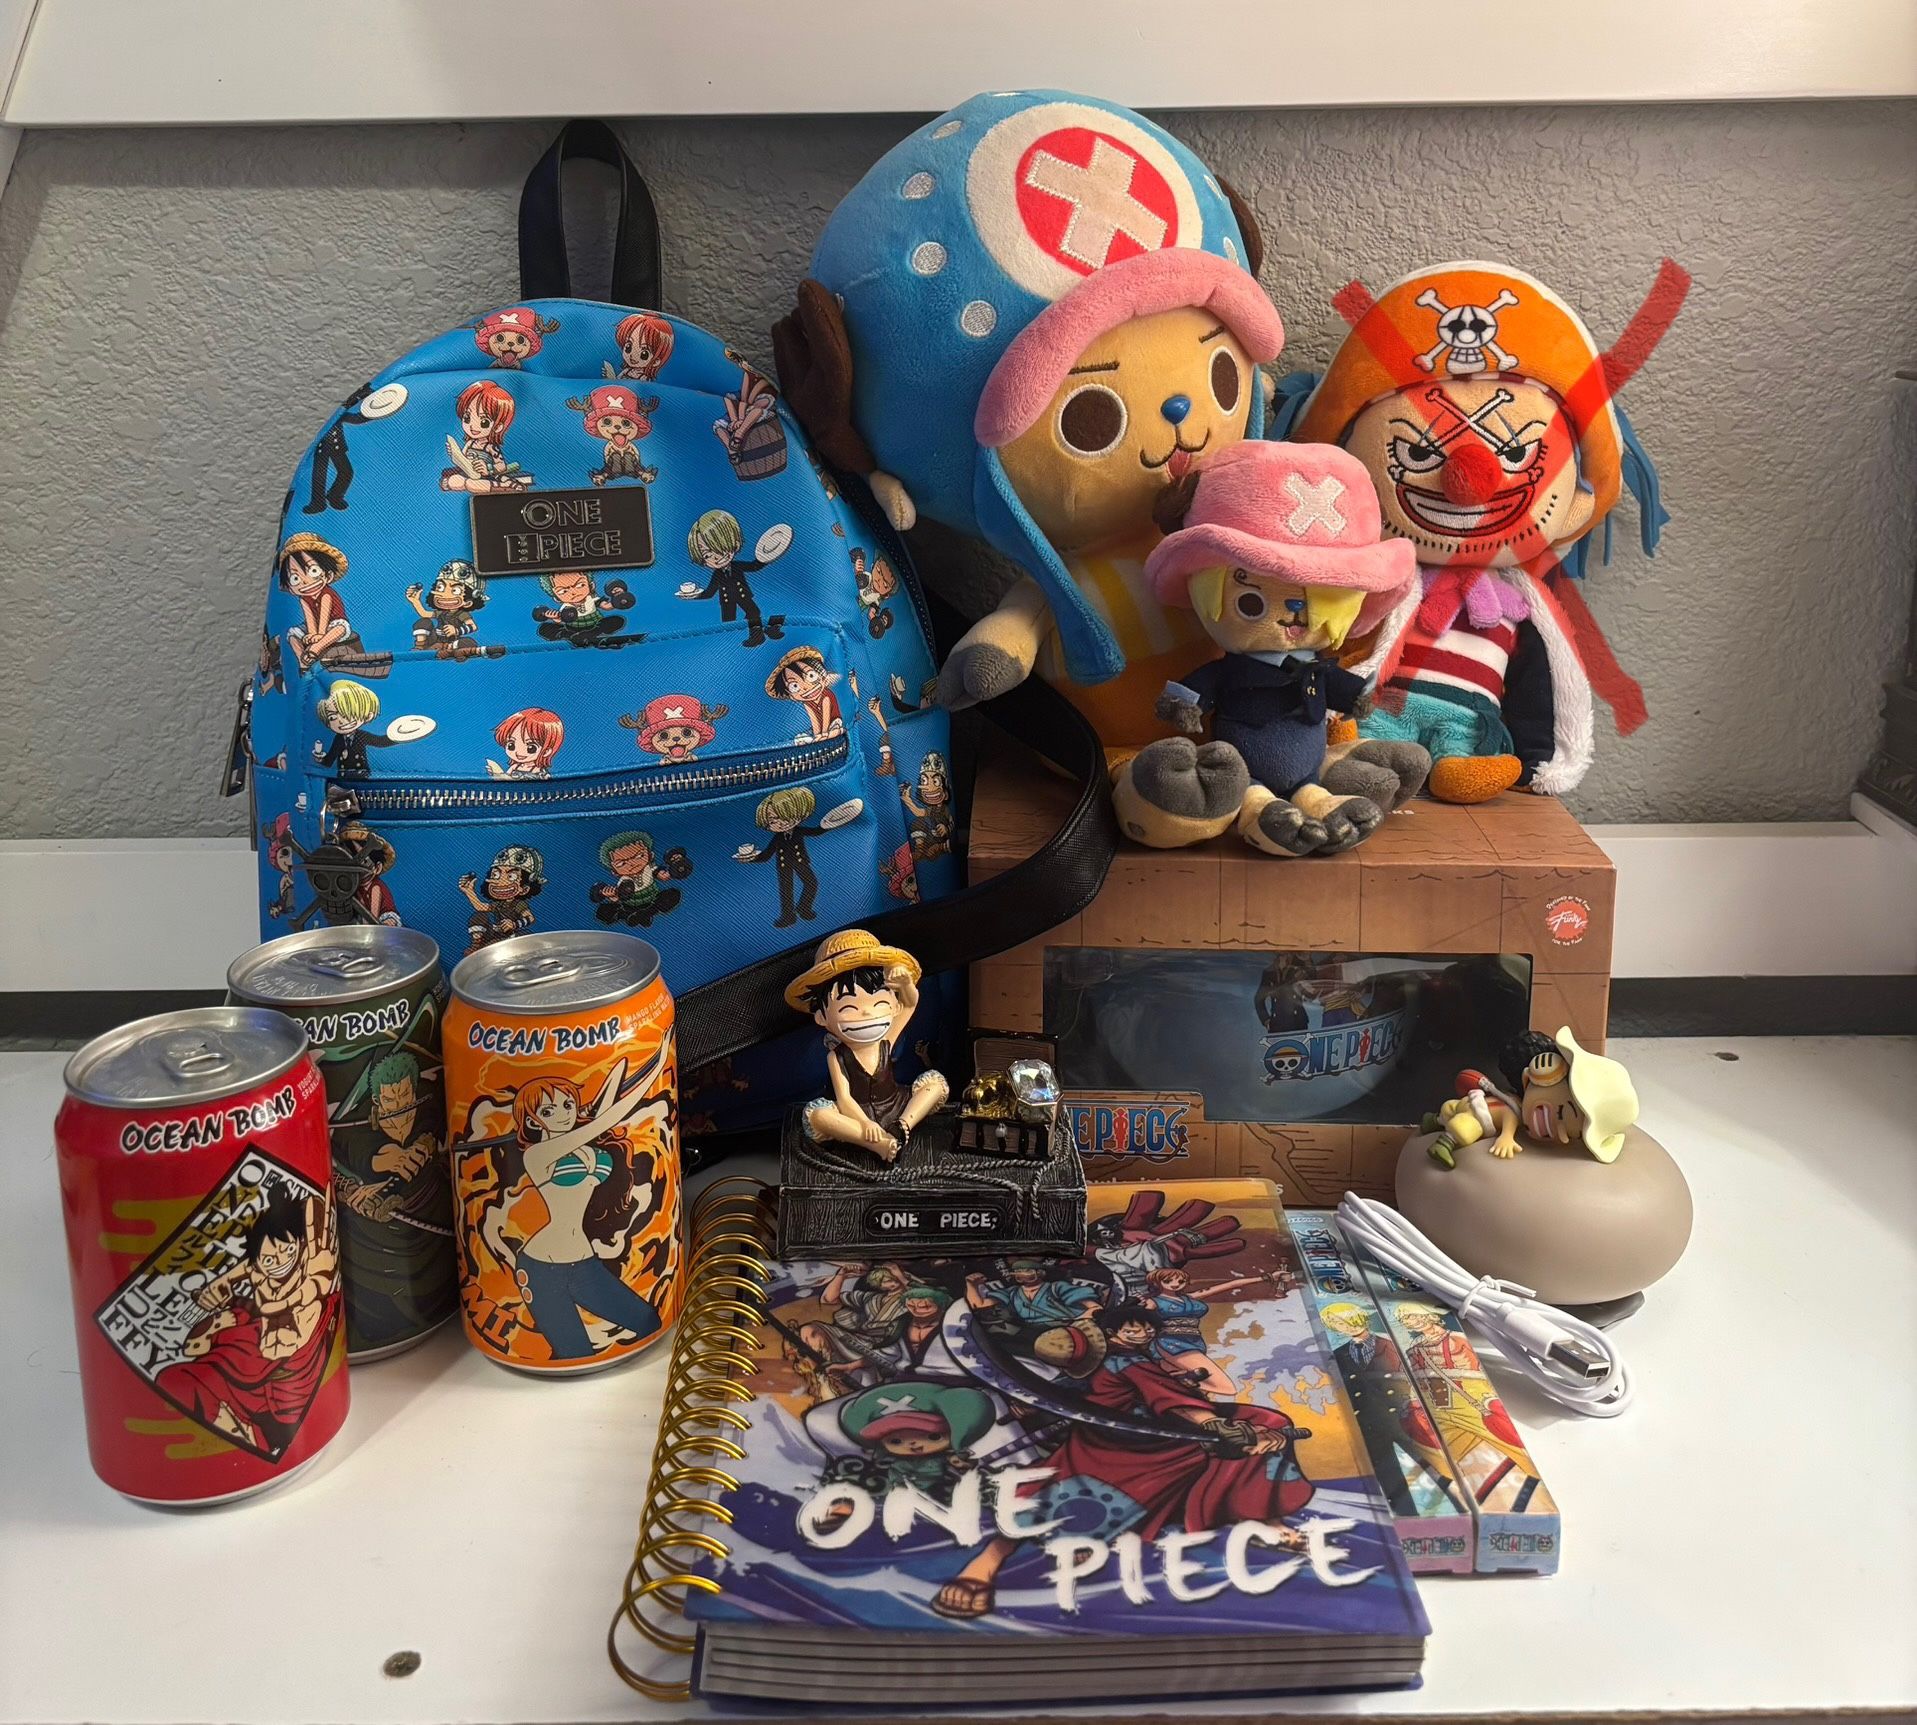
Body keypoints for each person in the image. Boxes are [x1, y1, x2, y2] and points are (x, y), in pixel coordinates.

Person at [478, 1068, 666, 1363]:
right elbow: (605, 1120)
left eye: (567, 1104)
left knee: (647, 1321)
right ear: (533, 1121)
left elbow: (606, 1102)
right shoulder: (537, 1155)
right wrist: (656, 1069)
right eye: (548, 1110)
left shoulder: (583, 1147)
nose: (563, 1114)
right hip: (541, 1269)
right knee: (574, 1352)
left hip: (584, 1263)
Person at [156, 1187, 341, 1457]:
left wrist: (256, 1300)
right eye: (269, 1259)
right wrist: (222, 1283)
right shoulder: (259, 1270)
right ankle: (241, 1429)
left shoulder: (313, 1266)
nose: (279, 1262)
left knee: (232, 1344)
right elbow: (249, 1266)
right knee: (181, 1375)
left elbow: (310, 1289)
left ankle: (232, 1323)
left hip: (296, 1366)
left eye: (287, 1250)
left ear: (300, 1245)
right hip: (262, 1363)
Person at [785, 929, 949, 1160]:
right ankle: (880, 1145)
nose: (866, 1013)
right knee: (819, 1116)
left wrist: (905, 986)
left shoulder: (886, 1040)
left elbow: (910, 1004)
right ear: (821, 1017)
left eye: (880, 1003)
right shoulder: (837, 1056)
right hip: (855, 1117)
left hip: (895, 1105)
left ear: (894, 1006)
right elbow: (844, 1099)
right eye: (848, 1008)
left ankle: (902, 1126)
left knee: (935, 1084)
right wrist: (864, 1123)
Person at [680, 510, 785, 648]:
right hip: (727, 601)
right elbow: (709, 592)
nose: (716, 557)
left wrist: (766, 556)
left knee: (753, 612)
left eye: (721, 547)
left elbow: (754, 566)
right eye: (707, 555)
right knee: (728, 621)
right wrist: (693, 595)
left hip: (743, 595)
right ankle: (730, 645)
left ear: (734, 543)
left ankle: (758, 636)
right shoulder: (717, 574)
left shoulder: (737, 566)